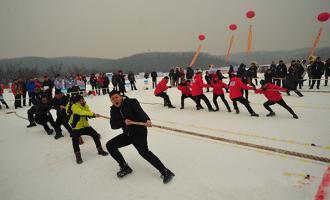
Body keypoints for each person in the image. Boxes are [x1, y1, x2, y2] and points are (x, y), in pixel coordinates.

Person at [106, 90, 175, 183]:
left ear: (121, 96)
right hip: (127, 134)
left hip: (139, 132)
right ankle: (124, 167)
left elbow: (140, 112)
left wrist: (146, 120)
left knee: (144, 152)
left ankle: (165, 171)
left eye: (116, 97)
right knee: (110, 145)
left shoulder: (132, 102)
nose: (115, 100)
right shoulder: (113, 110)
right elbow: (113, 125)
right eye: (112, 99)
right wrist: (123, 122)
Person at [67, 95, 108, 164]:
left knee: (95, 135)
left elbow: (88, 113)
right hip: (76, 126)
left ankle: (100, 150)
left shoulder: (85, 105)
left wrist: (93, 115)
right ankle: (78, 155)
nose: (82, 101)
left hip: (85, 125)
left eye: (82, 99)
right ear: (77, 101)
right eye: (80, 100)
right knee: (75, 139)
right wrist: (92, 114)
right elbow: (81, 112)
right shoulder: (74, 106)